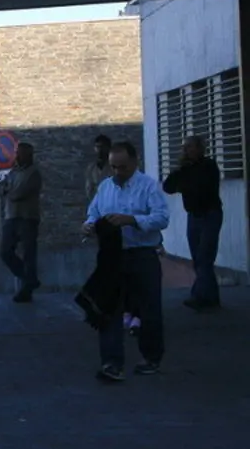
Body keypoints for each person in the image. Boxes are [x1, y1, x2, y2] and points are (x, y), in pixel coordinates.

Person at [84, 141, 170, 381]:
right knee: (109, 309)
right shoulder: (105, 187)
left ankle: (151, 357)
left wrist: (131, 220)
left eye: (122, 167)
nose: (117, 172)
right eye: (113, 167)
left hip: (142, 254)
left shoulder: (148, 187)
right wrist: (89, 224)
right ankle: (112, 363)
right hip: (113, 256)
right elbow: (93, 211)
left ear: (135, 162)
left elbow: (162, 218)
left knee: (149, 308)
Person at [163, 135, 223, 311]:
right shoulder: (185, 169)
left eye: (190, 147)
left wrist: (185, 184)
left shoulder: (208, 166)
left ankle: (200, 296)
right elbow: (168, 186)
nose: (187, 150)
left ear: (199, 148)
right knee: (198, 258)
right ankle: (211, 298)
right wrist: (181, 170)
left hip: (210, 214)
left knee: (205, 255)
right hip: (193, 216)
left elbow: (203, 187)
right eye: (185, 148)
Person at [0, 142, 43, 303]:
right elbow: (2, 188)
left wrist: (8, 191)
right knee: (5, 251)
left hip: (27, 218)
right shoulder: (14, 171)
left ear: (29, 155)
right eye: (16, 153)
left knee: (29, 254)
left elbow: (19, 193)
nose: (17, 156)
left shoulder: (34, 173)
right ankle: (29, 278)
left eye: (20, 153)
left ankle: (26, 290)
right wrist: (7, 190)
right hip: (11, 216)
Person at [85, 134, 113, 201]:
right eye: (98, 147)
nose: (100, 150)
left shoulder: (115, 167)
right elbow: (89, 190)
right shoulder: (91, 168)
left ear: (109, 148)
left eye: (103, 147)